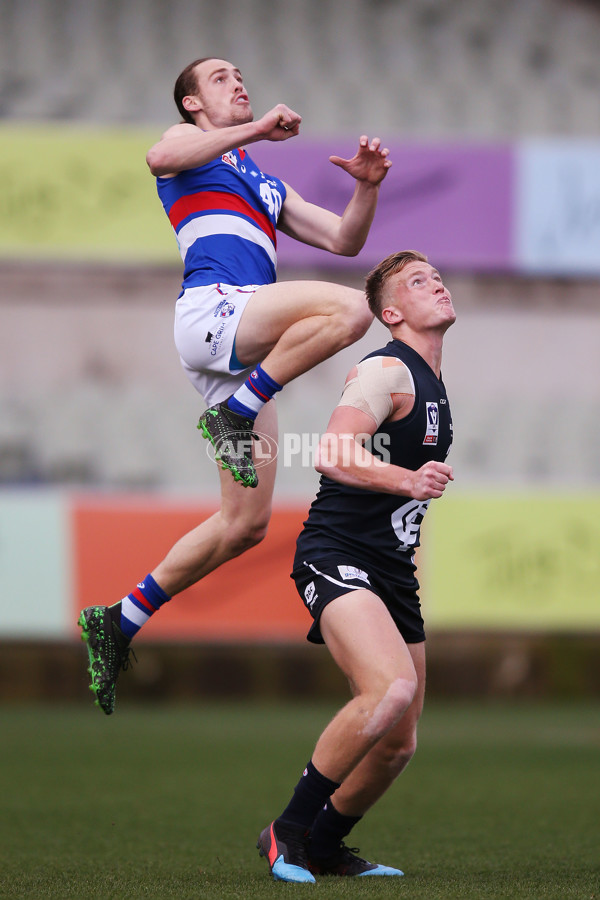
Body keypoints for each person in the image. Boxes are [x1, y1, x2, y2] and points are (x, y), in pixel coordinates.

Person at [77, 57, 392, 715]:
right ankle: (239, 412)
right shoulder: (188, 151)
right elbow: (157, 154)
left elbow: (342, 238)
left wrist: (366, 188)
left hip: (236, 350)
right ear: (193, 104)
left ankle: (119, 620)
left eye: (241, 74)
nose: (238, 82)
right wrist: (253, 131)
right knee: (352, 310)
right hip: (215, 311)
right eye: (219, 78)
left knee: (244, 524)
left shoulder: (266, 182)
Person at [256, 250, 456, 882]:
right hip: (337, 555)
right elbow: (331, 451)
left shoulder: (432, 382)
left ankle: (323, 846)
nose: (438, 284)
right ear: (390, 312)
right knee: (389, 689)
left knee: (399, 741)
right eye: (419, 282)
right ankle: (284, 834)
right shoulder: (386, 369)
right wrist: (407, 478)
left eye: (438, 276)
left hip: (390, 572)